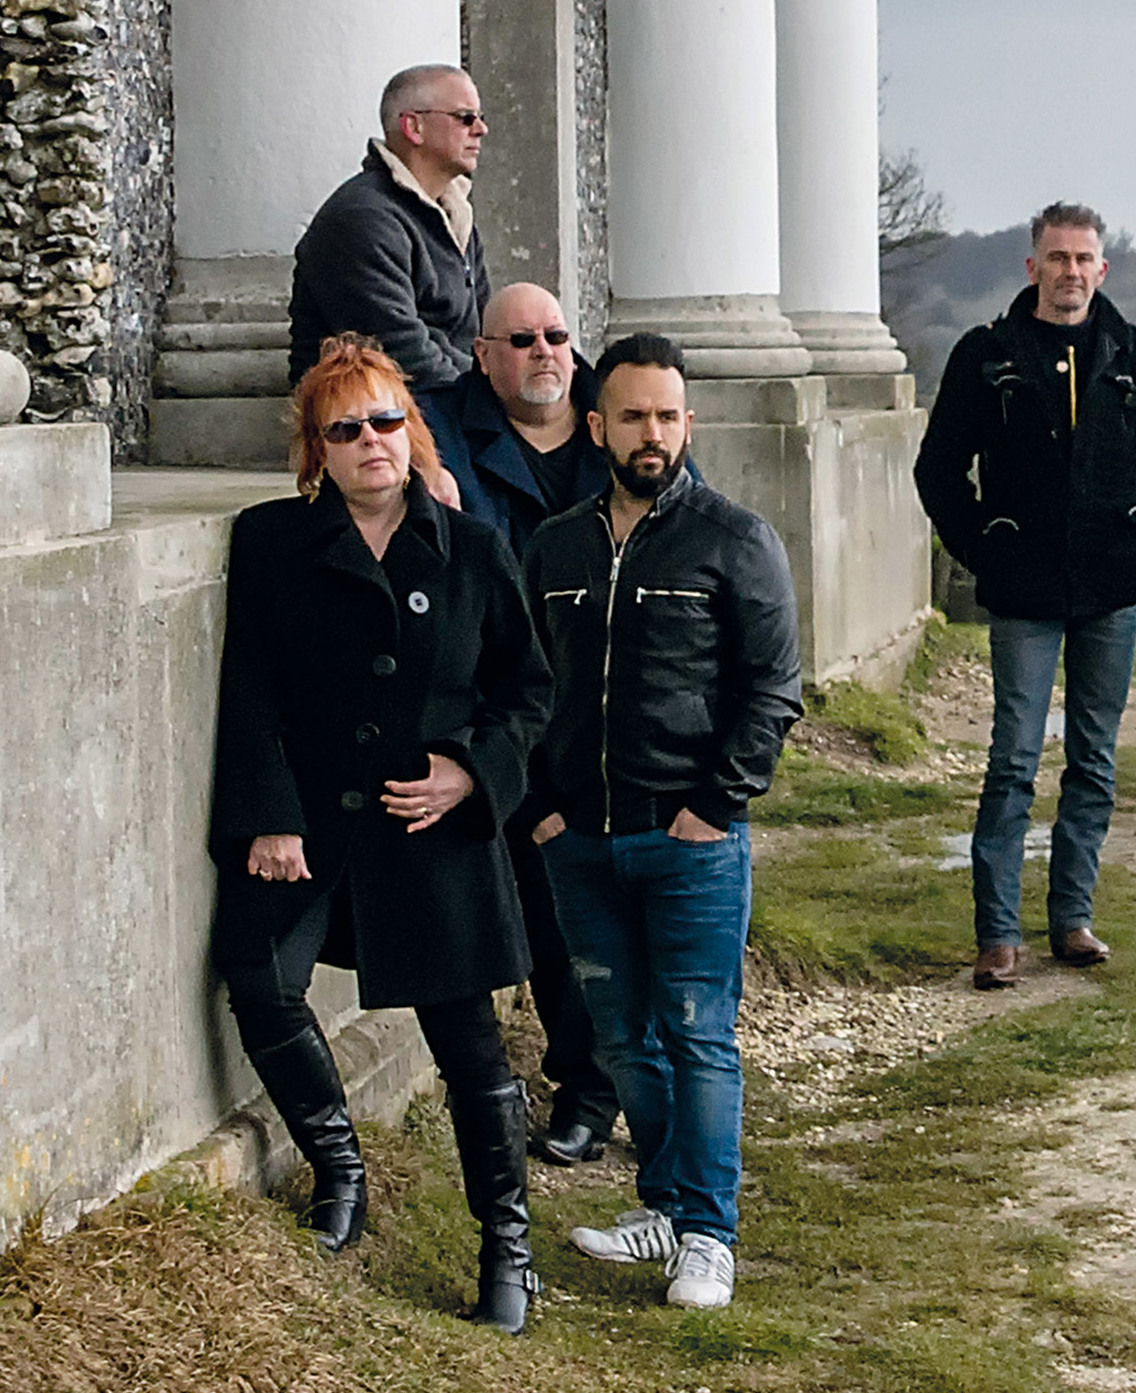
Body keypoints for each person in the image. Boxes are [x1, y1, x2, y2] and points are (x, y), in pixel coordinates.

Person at [210, 334, 551, 1335]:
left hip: (429, 823)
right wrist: (268, 814)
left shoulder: (474, 549)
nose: (372, 441)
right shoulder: (273, 543)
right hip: (313, 818)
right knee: (258, 971)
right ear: (317, 452)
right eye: (346, 429)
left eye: (387, 420)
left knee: (468, 1039)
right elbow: (253, 690)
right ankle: (337, 1167)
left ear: (415, 428)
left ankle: (509, 1246)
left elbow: (527, 695)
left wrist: (471, 771)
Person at [523, 333, 802, 1311]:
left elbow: (773, 692)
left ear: (690, 422)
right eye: (634, 415)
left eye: (669, 415)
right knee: (623, 1039)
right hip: (580, 844)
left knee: (699, 1036)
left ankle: (709, 1236)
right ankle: (669, 1208)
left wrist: (712, 806)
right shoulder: (552, 547)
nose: (654, 434)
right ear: (596, 424)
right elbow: (519, 689)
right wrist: (543, 812)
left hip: (690, 841)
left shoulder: (734, 539)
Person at [913, 202, 1136, 991]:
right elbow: (938, 470)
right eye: (1057, 257)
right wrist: (983, 551)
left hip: (1111, 590)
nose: (1072, 271)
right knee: (1012, 760)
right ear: (1031, 266)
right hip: (1023, 593)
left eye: (1085, 259)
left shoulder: (1133, 354)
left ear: (1102, 270)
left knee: (1093, 759)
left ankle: (1072, 918)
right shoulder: (988, 355)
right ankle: (997, 934)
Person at [428, 282, 620, 1166]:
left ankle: (649, 1081)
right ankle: (582, 1084)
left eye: (557, 335)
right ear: (482, 354)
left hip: (609, 695)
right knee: (548, 907)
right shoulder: (441, 436)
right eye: (522, 339)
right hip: (502, 700)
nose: (545, 352)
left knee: (638, 900)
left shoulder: (614, 423)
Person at [289, 64, 490, 394]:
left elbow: (487, 332)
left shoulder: (455, 213)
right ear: (414, 126)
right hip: (372, 424)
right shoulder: (361, 219)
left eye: (480, 117)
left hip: (449, 404)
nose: (481, 129)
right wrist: (488, 403)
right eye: (465, 117)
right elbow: (401, 353)